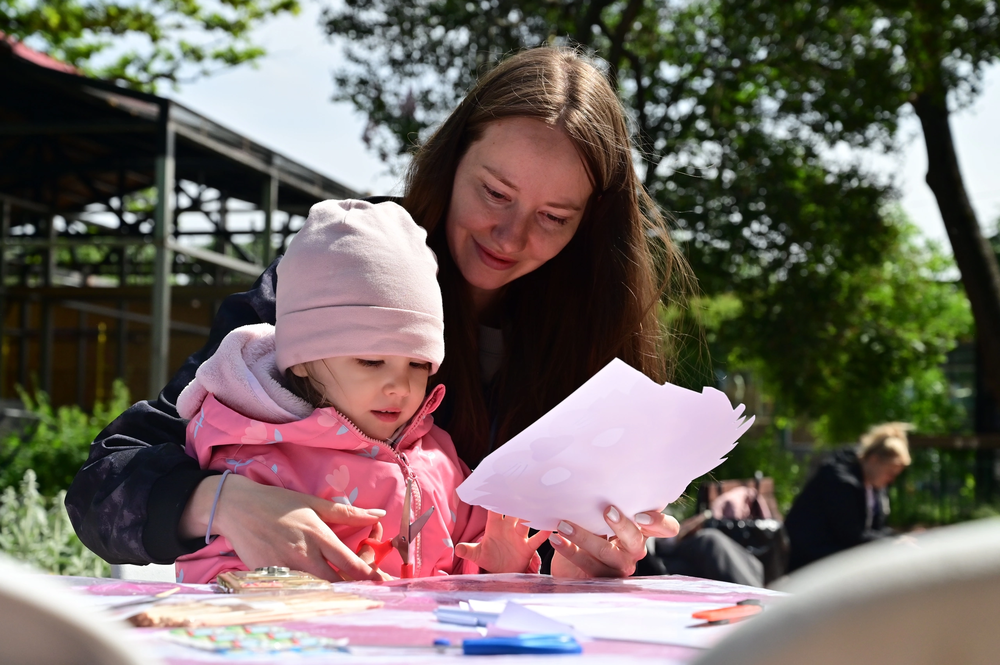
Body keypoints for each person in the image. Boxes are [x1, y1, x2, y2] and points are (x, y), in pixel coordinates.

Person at [66, 46, 688, 582]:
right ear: (451, 164)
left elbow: (586, 565)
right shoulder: (345, 272)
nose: (509, 234)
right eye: (494, 193)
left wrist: (589, 567)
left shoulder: (594, 335)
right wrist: (224, 501)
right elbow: (104, 487)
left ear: (590, 226)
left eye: (554, 218)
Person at [174, 199, 548, 583]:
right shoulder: (254, 458)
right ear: (300, 357)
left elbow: (464, 573)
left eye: (419, 365)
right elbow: (212, 579)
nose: (400, 386)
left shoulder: (439, 457)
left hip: (423, 643)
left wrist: (498, 568)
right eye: (371, 362)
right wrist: (292, 590)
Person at [784, 423, 913, 572]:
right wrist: (892, 543)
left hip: (833, 555)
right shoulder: (840, 481)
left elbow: (874, 529)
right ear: (874, 460)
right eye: (890, 473)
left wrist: (898, 538)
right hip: (809, 560)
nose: (891, 480)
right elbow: (852, 537)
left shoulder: (872, 483)